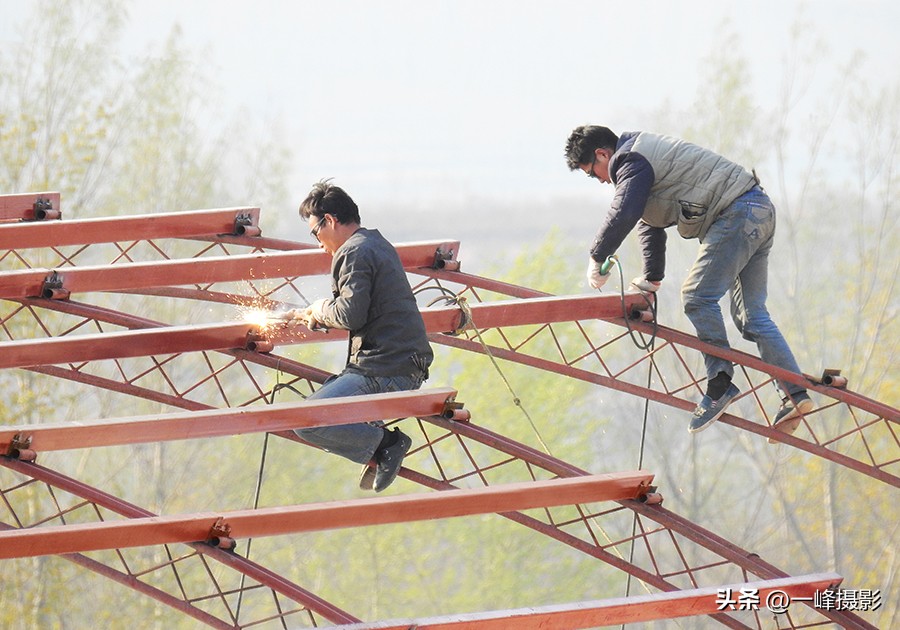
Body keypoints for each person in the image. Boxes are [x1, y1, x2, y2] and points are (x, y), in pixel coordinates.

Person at [564, 125, 813, 436]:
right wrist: (652, 279)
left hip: (735, 214)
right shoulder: (644, 157)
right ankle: (795, 394)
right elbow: (647, 222)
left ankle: (720, 383)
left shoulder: (628, 161)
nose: (600, 180)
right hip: (759, 209)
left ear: (602, 154)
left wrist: (597, 256)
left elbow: (625, 210)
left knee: (696, 296)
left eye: (593, 172)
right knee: (752, 315)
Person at [287, 180, 433, 491]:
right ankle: (379, 444)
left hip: (387, 370)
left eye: (316, 232)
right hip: (401, 364)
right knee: (324, 405)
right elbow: (363, 310)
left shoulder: (352, 252)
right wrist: (318, 315)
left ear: (330, 220)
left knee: (304, 419)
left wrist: (319, 308)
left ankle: (387, 444)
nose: (318, 243)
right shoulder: (375, 244)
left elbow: (350, 314)